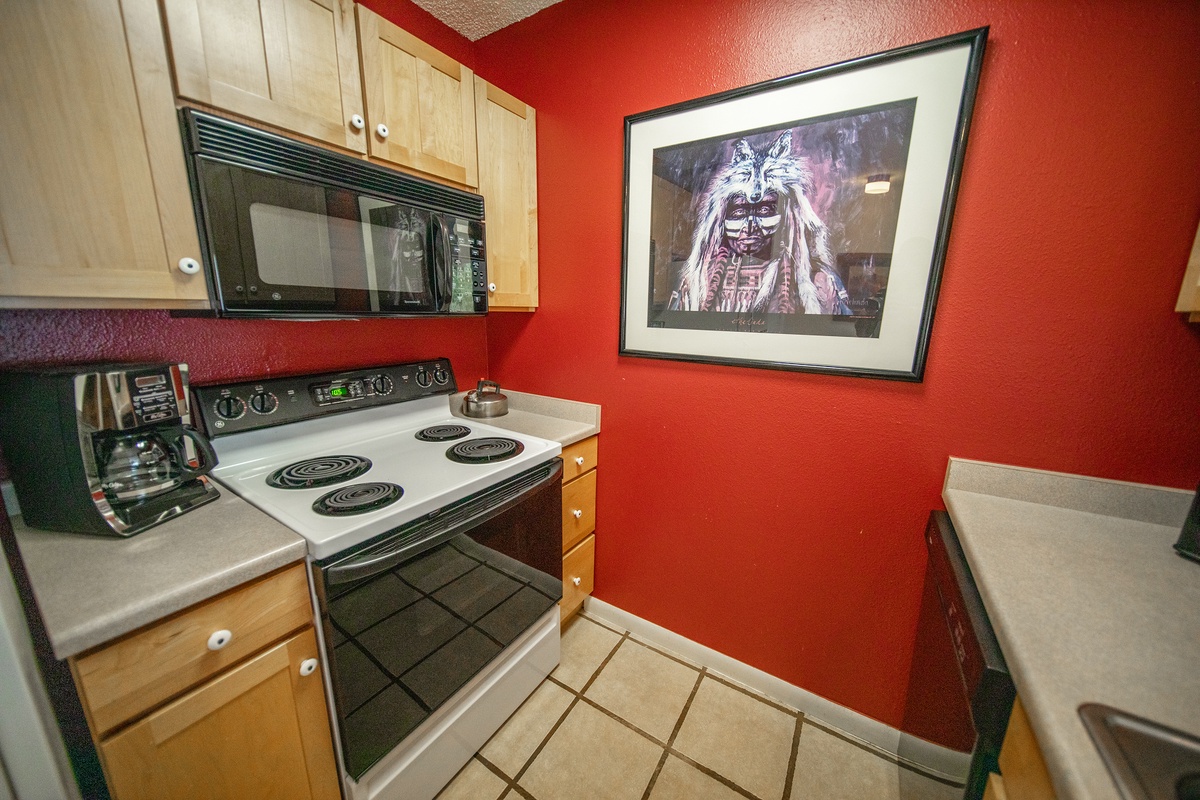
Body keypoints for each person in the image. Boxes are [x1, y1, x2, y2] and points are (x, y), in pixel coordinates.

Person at [669, 131, 850, 316]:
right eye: (739, 213)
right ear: (721, 220)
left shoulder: (817, 280)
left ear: (787, 218)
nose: (750, 226)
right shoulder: (697, 281)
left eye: (764, 211)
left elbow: (843, 329)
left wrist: (827, 302)